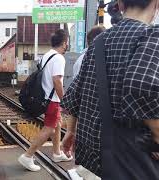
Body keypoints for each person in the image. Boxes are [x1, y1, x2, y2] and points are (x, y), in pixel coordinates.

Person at [61, 0, 159, 178]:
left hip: (100, 152)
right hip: (136, 157)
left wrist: (71, 131)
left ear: (120, 5)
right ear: (156, 3)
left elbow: (75, 93)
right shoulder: (152, 35)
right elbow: (141, 85)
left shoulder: (98, 42)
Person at [18, 29, 72, 172]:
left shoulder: (47, 55)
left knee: (57, 124)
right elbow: (57, 81)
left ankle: (56, 153)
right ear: (65, 43)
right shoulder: (59, 58)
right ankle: (27, 155)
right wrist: (65, 101)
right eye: (67, 42)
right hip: (52, 100)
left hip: (45, 97)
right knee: (49, 128)